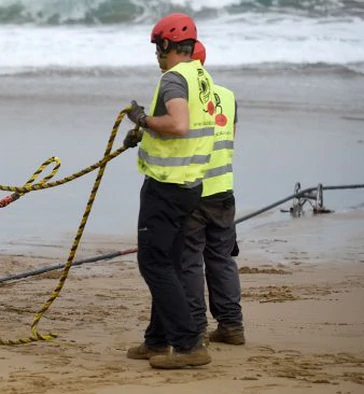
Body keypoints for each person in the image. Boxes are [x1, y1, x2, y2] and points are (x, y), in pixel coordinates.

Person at [123, 13, 215, 369]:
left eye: (156, 48)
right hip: (190, 184)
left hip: (167, 186)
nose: (156, 56)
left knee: (154, 263)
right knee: (170, 263)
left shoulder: (174, 79)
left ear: (166, 45)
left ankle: (188, 345)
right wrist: (146, 131)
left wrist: (143, 120)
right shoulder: (200, 76)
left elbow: (178, 124)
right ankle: (157, 341)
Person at [181, 41, 245, 345]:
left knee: (189, 261)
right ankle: (232, 326)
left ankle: (195, 329)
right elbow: (230, 136)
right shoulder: (229, 97)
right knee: (221, 259)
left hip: (192, 192)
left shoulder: (181, 99)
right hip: (223, 191)